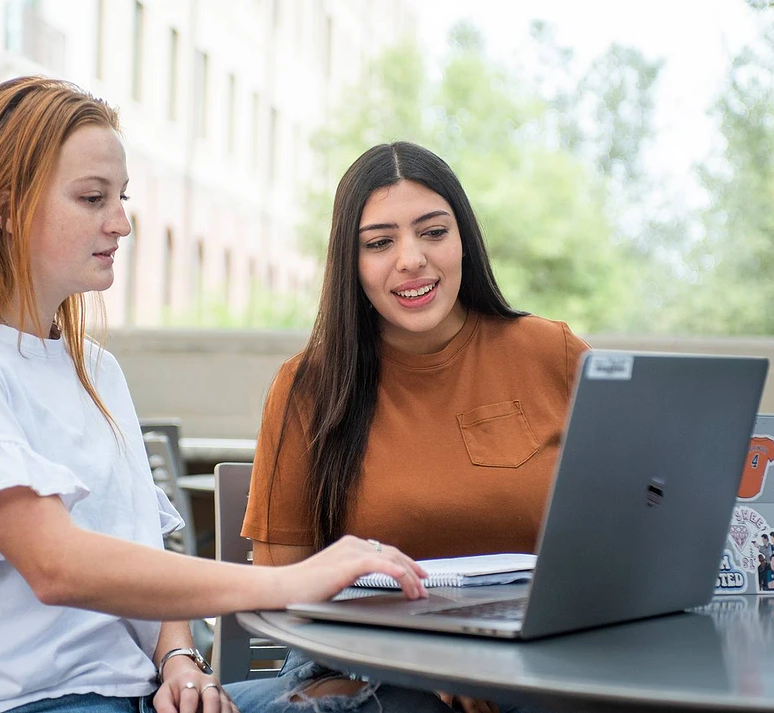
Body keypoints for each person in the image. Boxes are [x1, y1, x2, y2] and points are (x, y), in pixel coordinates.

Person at [0, 77, 428, 713]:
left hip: (134, 698)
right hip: (29, 703)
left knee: (396, 699)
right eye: (93, 198)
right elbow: (58, 566)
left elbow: (141, 551)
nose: (121, 222)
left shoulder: (94, 369)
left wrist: (178, 657)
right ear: (5, 208)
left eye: (120, 197)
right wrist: (287, 582)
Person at [240, 141, 590, 713]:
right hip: (366, 665)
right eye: (380, 243)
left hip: (546, 657)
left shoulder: (552, 353)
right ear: (350, 264)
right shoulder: (307, 386)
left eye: (433, 232)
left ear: (463, 241)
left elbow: (627, 532)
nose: (411, 259)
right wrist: (425, 663)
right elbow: (283, 592)